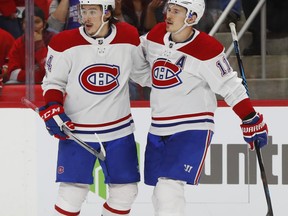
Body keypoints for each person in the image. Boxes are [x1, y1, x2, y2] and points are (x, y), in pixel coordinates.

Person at [139, 0, 269, 215]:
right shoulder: (156, 35)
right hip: (159, 125)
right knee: (159, 190)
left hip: (193, 126)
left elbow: (229, 86)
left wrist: (250, 119)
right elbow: (136, 60)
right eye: (169, 9)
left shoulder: (206, 48)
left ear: (191, 17)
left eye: (176, 11)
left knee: (168, 188)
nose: (168, 15)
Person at [39, 0, 149, 215]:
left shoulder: (128, 36)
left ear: (107, 13)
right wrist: (53, 106)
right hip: (78, 130)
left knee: (126, 191)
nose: (85, 17)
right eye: (83, 11)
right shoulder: (64, 42)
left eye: (92, 11)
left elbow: (141, 74)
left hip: (119, 130)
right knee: (72, 193)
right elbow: (53, 82)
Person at [4, 5, 55, 84]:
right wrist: (39, 75)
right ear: (22, 25)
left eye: (37, 22)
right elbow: (12, 74)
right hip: (25, 84)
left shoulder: (54, 40)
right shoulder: (18, 43)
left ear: (44, 24)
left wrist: (39, 45)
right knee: (10, 83)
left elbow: (51, 72)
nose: (32, 26)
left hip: (50, 84)